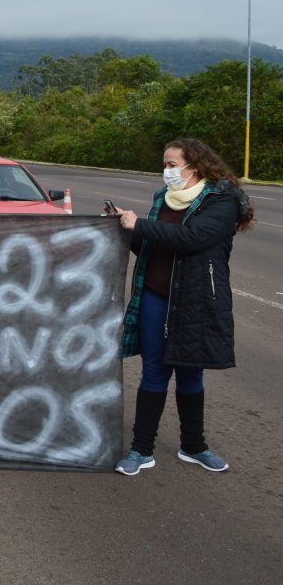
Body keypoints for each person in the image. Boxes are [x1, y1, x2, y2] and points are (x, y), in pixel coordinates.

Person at [111, 138, 253, 475]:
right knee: (154, 373)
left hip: (195, 302)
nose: (167, 171)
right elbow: (152, 246)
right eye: (165, 164)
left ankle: (194, 446)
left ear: (196, 166)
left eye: (172, 164)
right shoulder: (163, 198)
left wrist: (141, 225)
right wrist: (124, 229)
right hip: (154, 299)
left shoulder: (222, 201)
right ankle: (140, 449)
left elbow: (193, 240)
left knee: (190, 374)